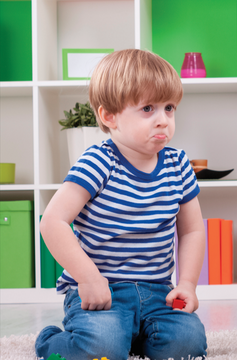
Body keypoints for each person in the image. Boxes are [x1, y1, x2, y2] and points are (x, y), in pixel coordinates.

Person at [36, 49, 208, 359]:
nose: (163, 119)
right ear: (109, 116)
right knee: (100, 346)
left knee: (188, 344)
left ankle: (131, 337)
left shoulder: (179, 165)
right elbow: (52, 222)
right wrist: (88, 278)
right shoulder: (98, 162)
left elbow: (193, 230)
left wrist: (187, 284)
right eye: (147, 108)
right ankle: (51, 341)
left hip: (158, 292)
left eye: (169, 108)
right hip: (102, 292)